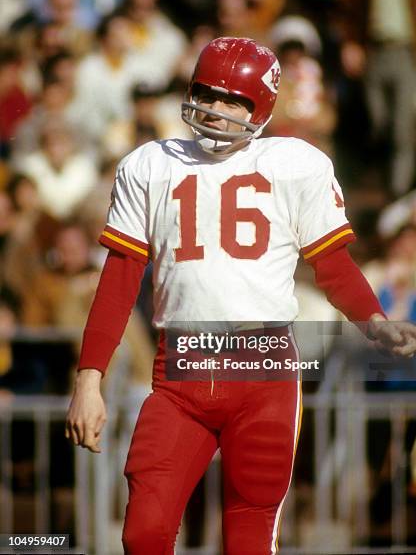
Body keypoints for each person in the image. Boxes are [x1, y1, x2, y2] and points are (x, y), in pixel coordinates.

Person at [65, 37, 416, 555]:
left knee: (249, 538)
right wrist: (89, 380)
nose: (216, 109)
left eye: (234, 101)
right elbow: (119, 281)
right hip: (179, 371)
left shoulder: (296, 163)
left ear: (263, 107)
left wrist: (375, 320)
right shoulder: (150, 164)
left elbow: (333, 267)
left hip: (264, 372)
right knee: (144, 532)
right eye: (207, 94)